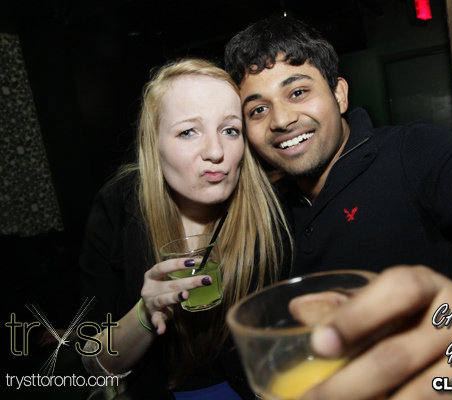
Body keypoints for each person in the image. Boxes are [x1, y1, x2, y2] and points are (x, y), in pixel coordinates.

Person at [224, 16, 452, 399]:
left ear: (339, 94)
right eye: (258, 110)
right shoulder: (265, 206)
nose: (281, 119)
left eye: (298, 92)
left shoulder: (413, 152)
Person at [79, 58, 292, 399]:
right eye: (188, 132)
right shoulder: (118, 207)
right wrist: (146, 313)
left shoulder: (273, 212)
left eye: (230, 130)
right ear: (152, 143)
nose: (216, 152)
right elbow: (95, 362)